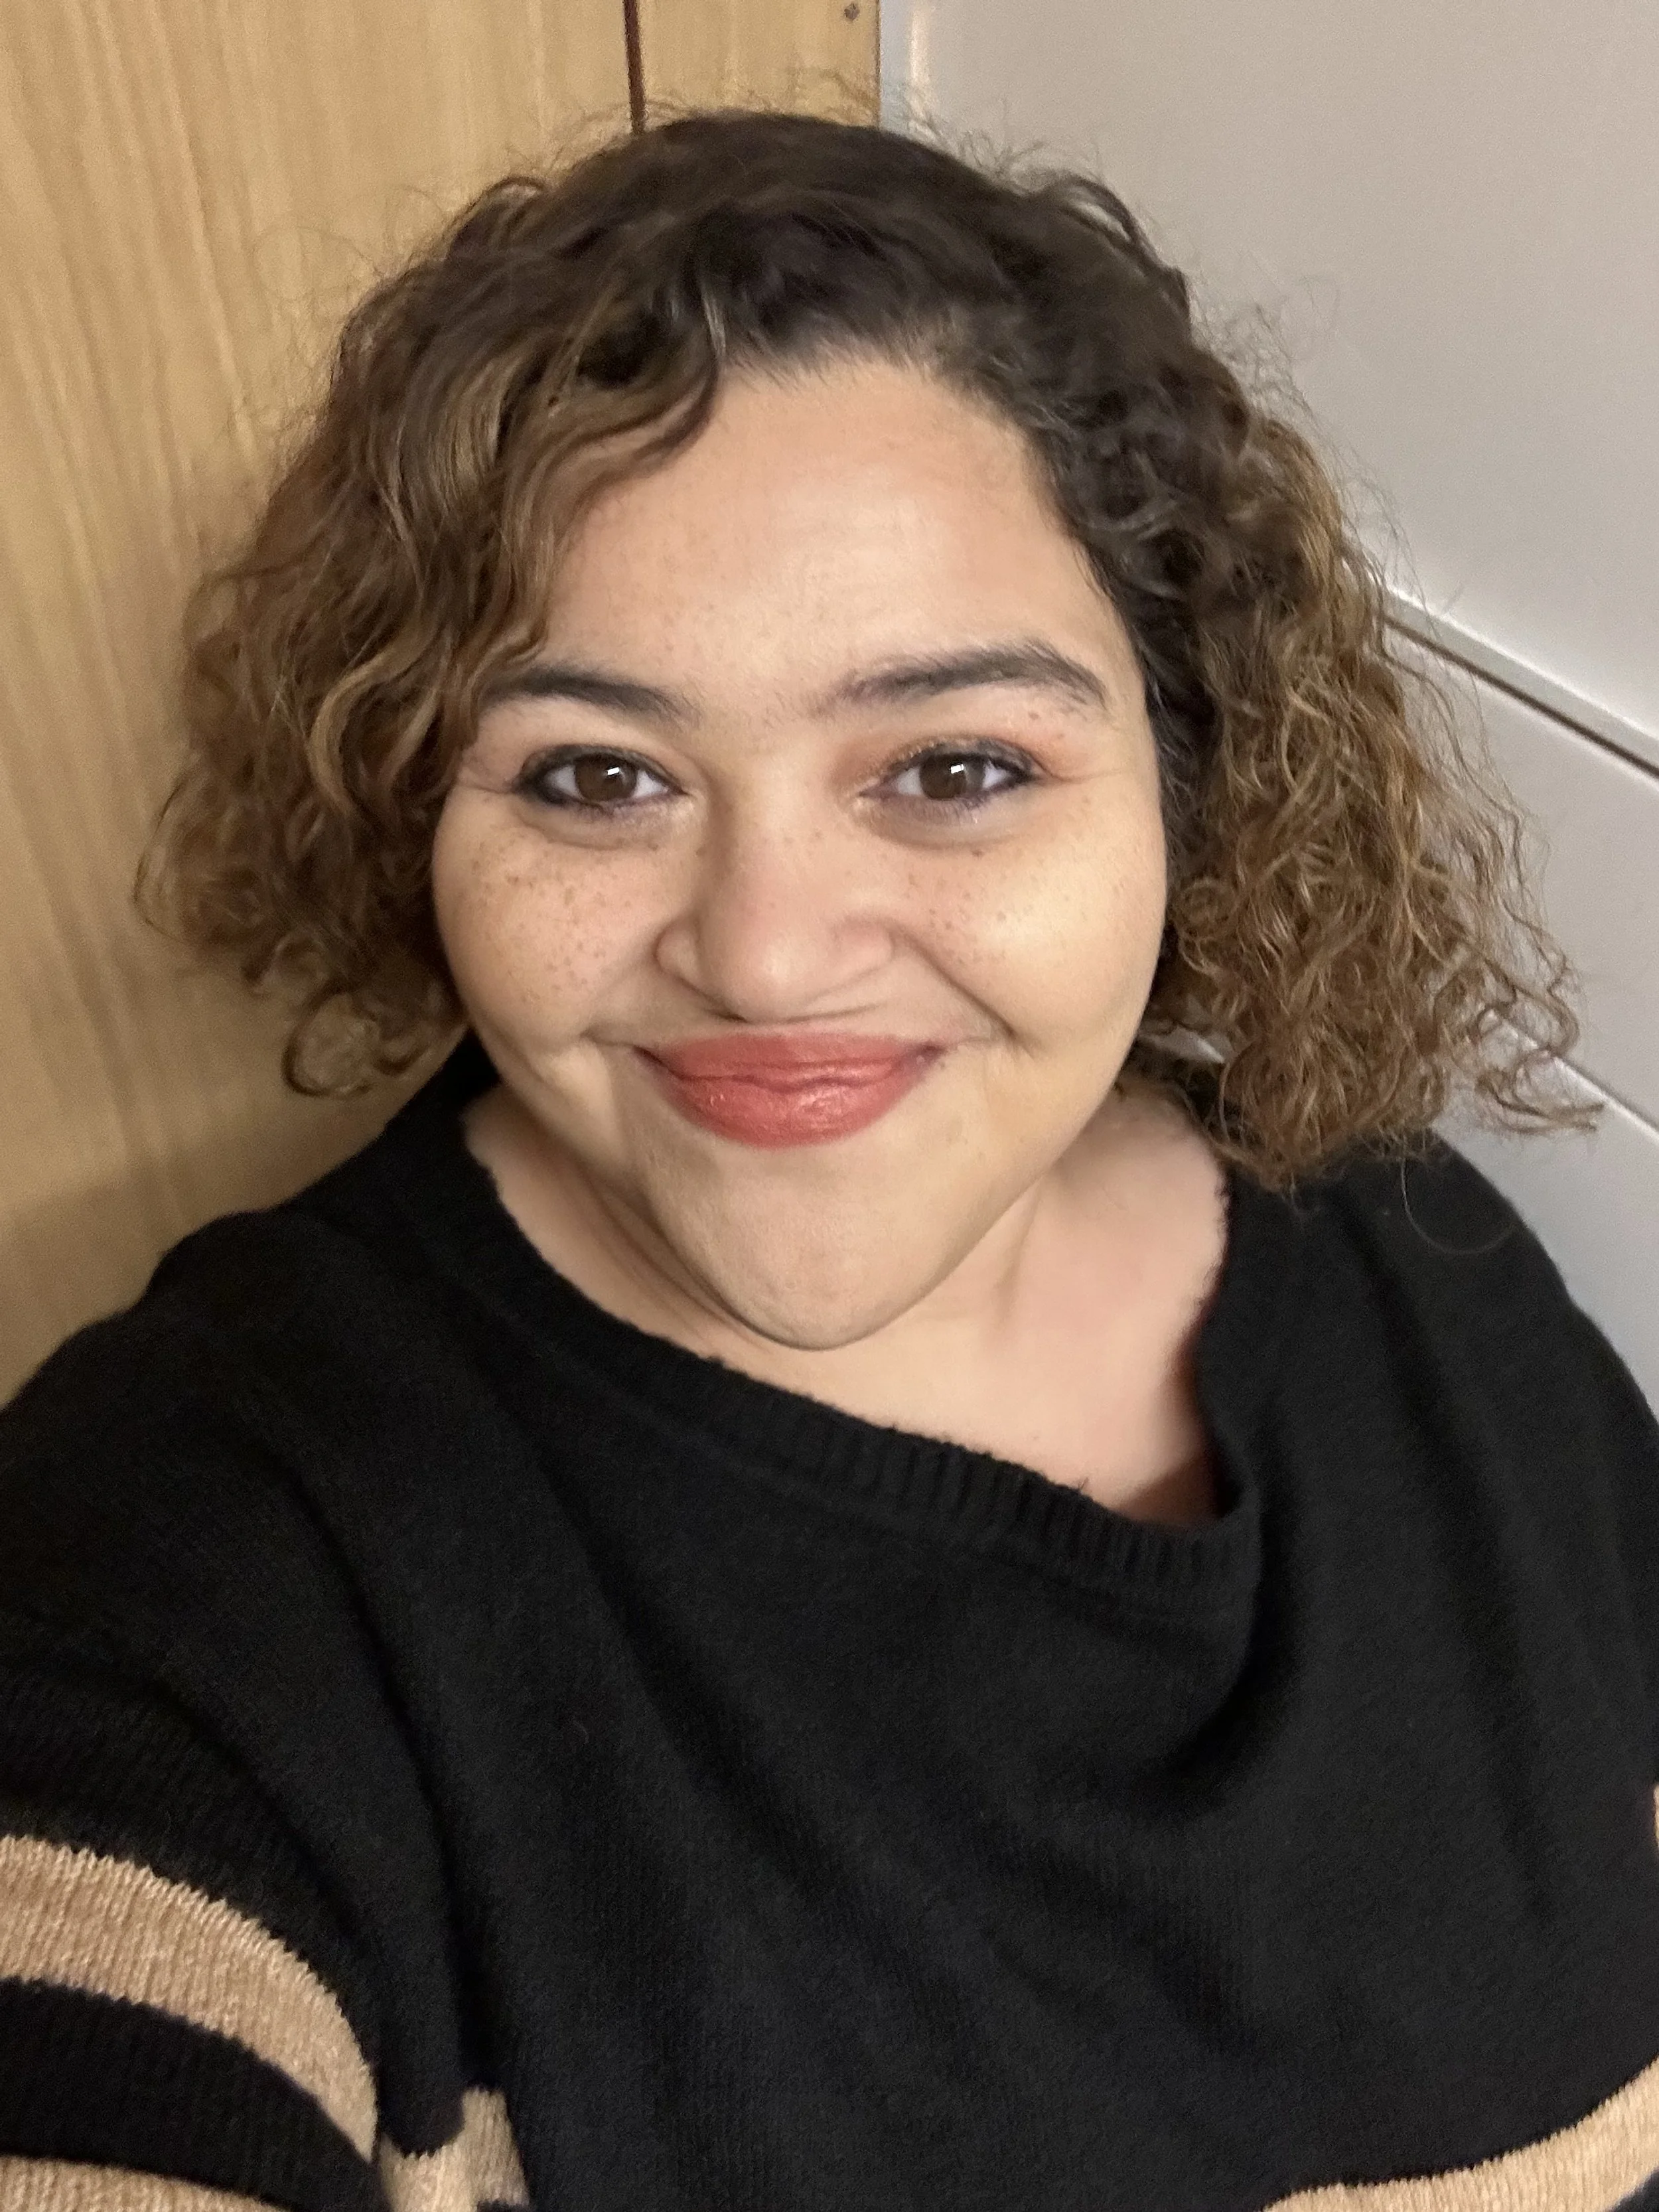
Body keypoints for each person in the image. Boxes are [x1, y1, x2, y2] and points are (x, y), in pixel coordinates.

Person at [3, 107, 1658, 2212]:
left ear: (1186, 774)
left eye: (953, 765)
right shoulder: (197, 1534)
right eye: (595, 774)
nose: (765, 948)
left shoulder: (1418, 1270)